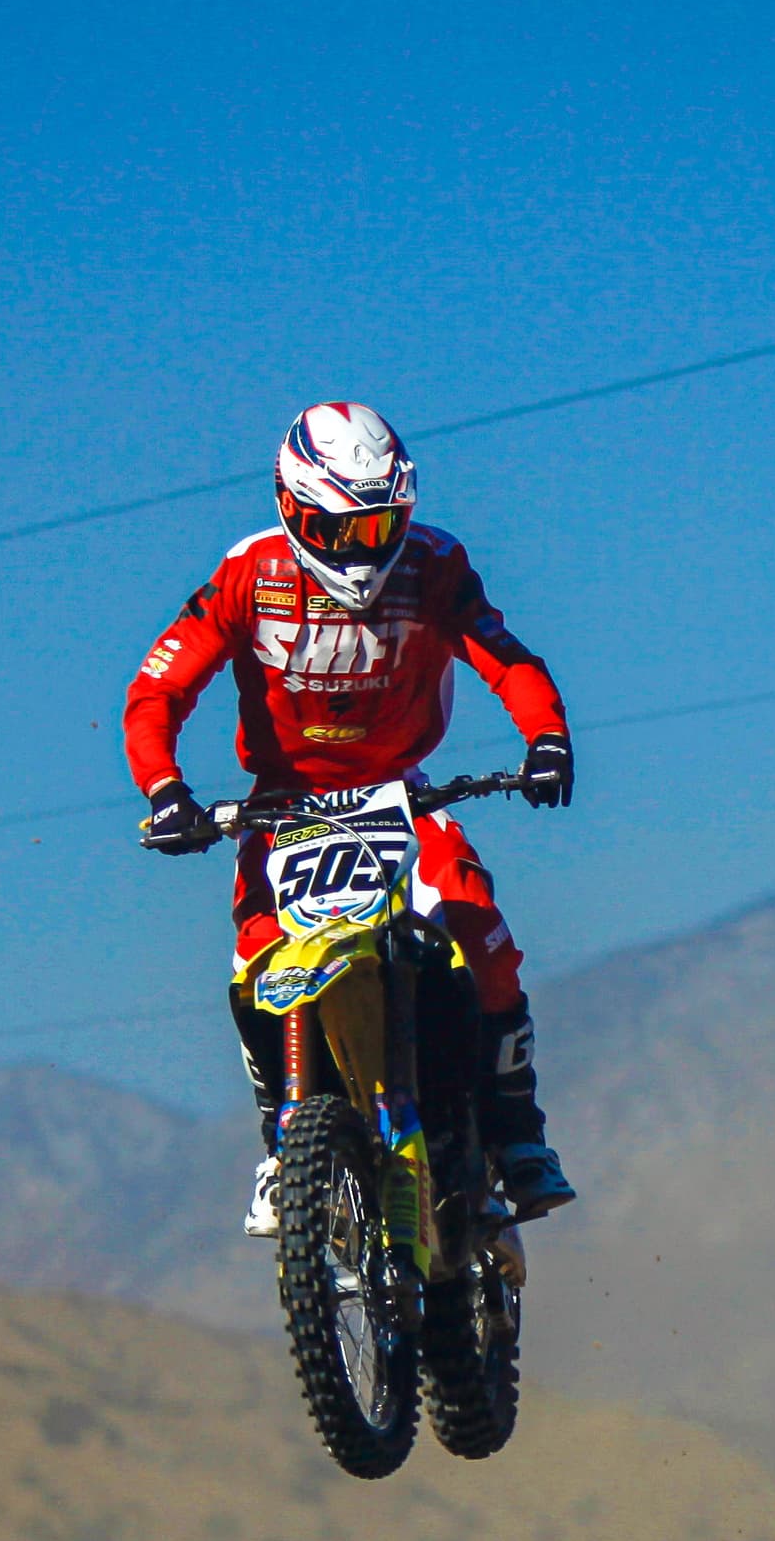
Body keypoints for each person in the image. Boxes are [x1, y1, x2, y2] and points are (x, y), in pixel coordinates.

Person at [126, 401, 578, 1237]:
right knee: (254, 968)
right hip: (280, 806)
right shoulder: (247, 574)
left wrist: (546, 738)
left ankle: (520, 1136)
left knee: (481, 936)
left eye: (385, 524)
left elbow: (503, 655)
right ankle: (282, 1144)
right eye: (350, 530)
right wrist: (165, 791)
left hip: (403, 793)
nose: (371, 548)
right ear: (296, 511)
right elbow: (159, 689)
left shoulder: (436, 564)